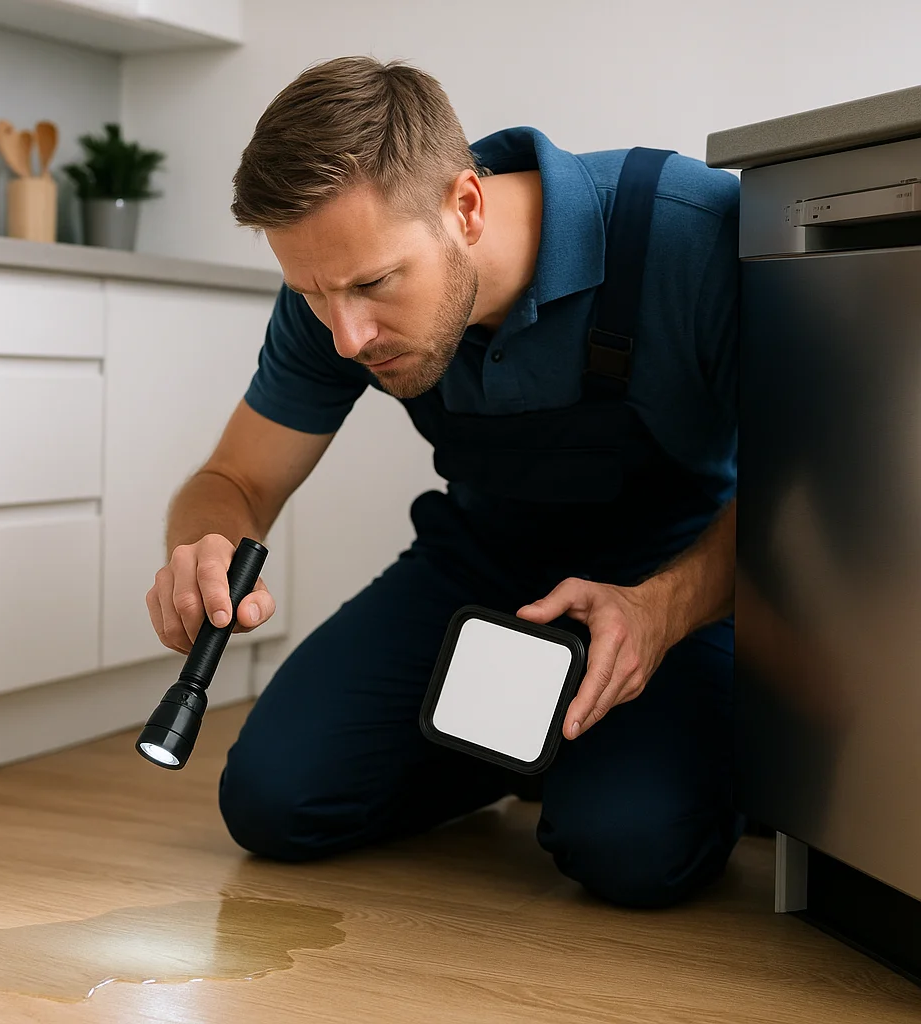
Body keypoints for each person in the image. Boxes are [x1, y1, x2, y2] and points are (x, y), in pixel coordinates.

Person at [145, 55, 742, 910]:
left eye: (373, 285)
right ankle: (524, 750)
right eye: (313, 294)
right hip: (483, 565)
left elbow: (812, 501)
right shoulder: (333, 279)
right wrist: (199, 547)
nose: (346, 335)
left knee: (629, 850)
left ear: (466, 205)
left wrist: (662, 609)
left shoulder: (689, 231)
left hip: (671, 579)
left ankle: (605, 761)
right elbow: (235, 475)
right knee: (273, 803)